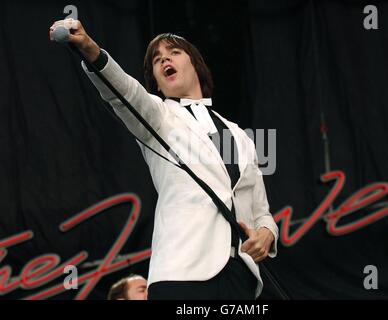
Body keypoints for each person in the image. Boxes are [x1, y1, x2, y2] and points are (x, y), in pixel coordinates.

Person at [49, 19, 279, 300]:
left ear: (196, 64)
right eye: (157, 60)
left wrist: (267, 232)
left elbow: (260, 211)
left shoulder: (237, 136)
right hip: (181, 273)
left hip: (240, 278)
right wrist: (90, 49)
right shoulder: (159, 118)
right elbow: (123, 93)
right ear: (156, 82)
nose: (164, 59)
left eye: (174, 52)